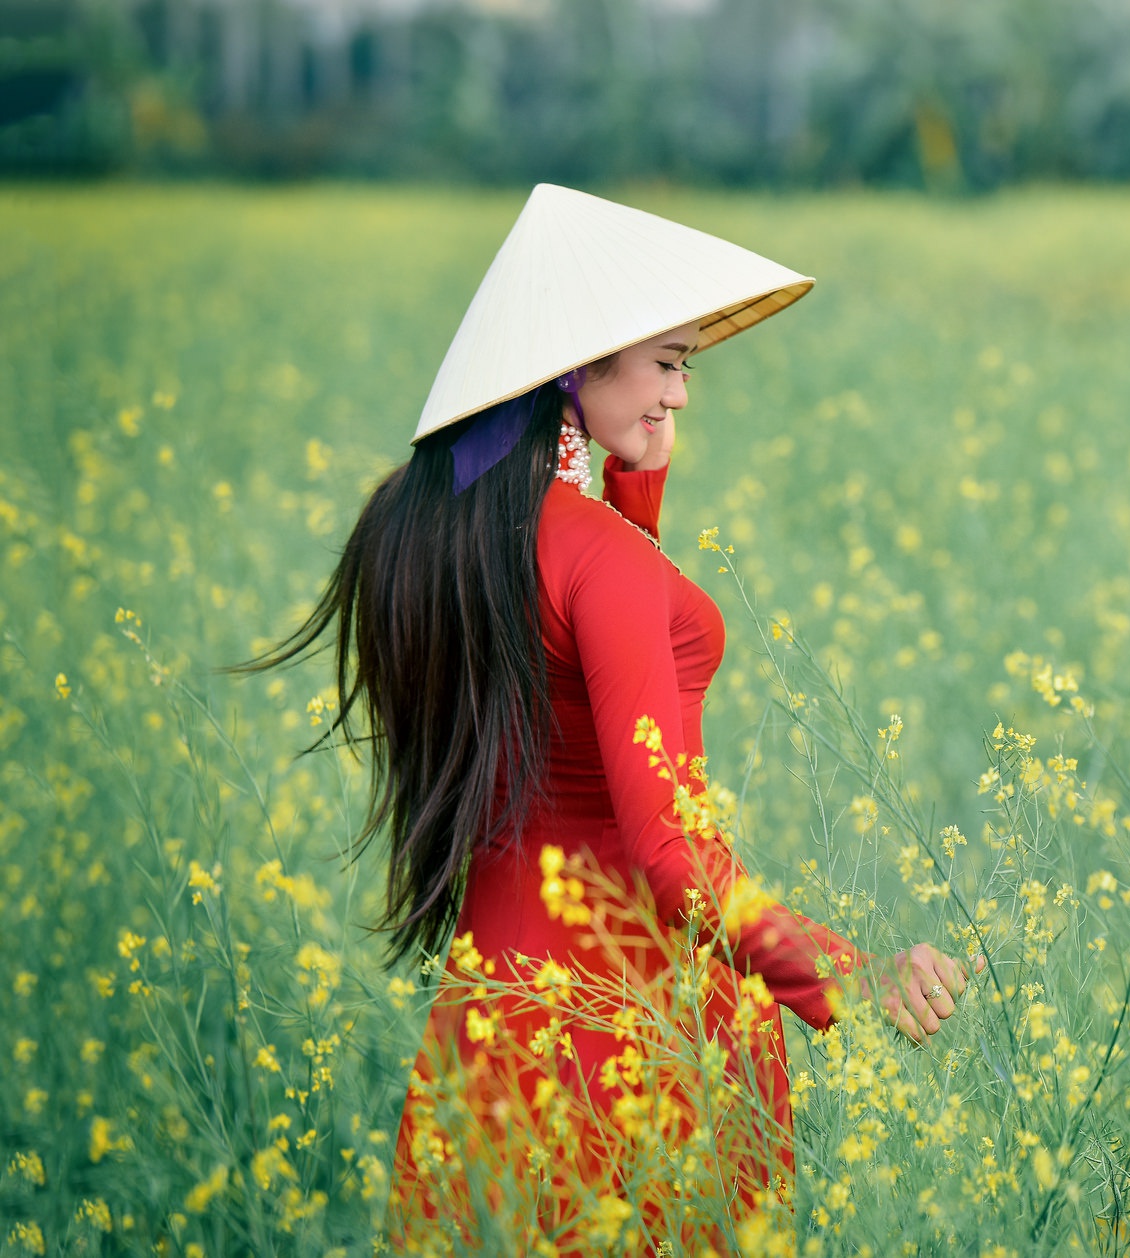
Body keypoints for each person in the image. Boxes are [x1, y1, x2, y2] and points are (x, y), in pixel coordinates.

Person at [244, 184, 979, 1252]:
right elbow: (670, 854)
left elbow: (586, 638)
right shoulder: (602, 562)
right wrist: (849, 973)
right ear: (575, 366)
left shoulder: (454, 537)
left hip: (494, 1010)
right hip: (629, 1023)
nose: (681, 395)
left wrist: (626, 467)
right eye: (667, 363)